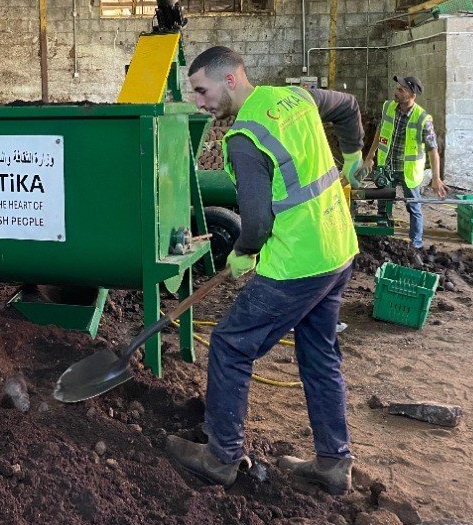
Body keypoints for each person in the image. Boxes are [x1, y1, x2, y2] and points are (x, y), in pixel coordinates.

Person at [165, 45, 363, 493]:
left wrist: (244, 250)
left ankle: (221, 457)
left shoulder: (244, 137)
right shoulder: (295, 98)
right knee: (319, 352)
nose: (199, 102)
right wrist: (351, 155)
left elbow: (255, 223)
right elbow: (348, 107)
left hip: (297, 263)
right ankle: (334, 462)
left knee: (231, 345)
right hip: (337, 249)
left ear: (230, 79)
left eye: (201, 91)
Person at [365, 75, 446, 249]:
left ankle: (416, 244)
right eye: (397, 88)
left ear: (412, 95)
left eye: (401, 90)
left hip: (408, 170)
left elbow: (433, 150)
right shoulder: (388, 107)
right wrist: (370, 157)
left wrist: (436, 178)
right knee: (383, 204)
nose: (396, 92)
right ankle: (382, 238)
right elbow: (380, 131)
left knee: (414, 207)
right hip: (387, 166)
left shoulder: (423, 118)